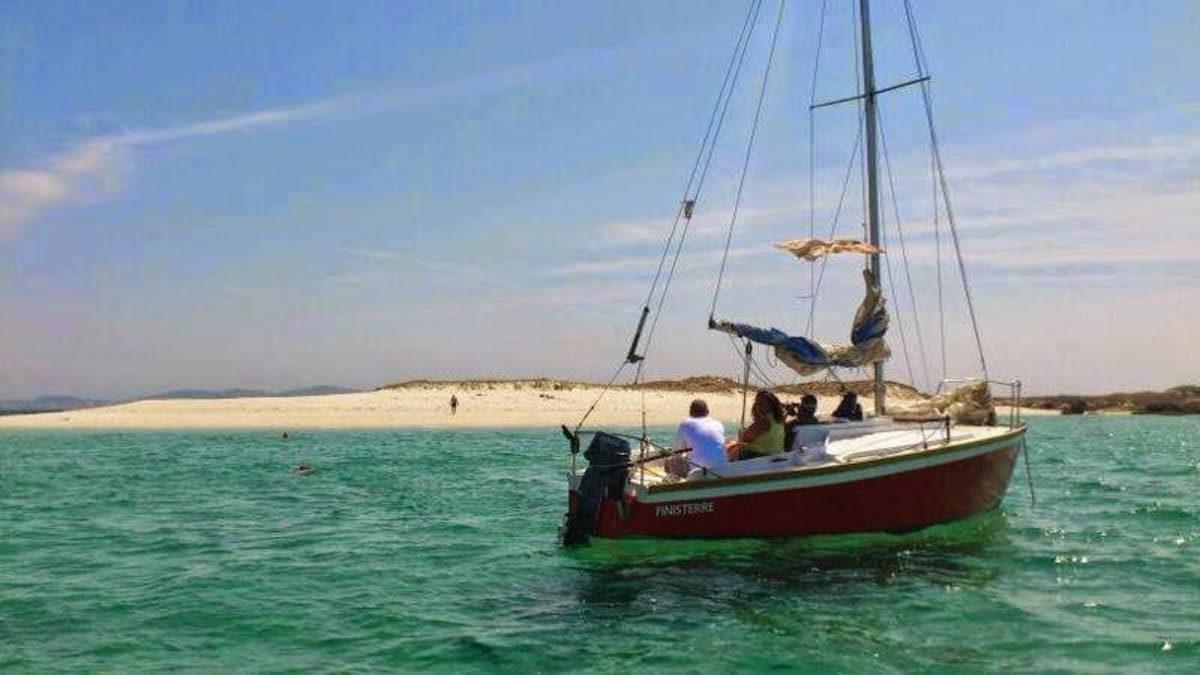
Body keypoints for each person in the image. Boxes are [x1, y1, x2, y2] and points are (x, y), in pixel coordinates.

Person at [666, 399, 727, 478]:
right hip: (723, 471)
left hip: (698, 473)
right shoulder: (718, 424)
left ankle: (675, 481)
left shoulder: (685, 424)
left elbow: (676, 453)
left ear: (690, 413)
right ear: (707, 412)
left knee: (670, 461)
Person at [726, 390, 786, 461]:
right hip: (776, 454)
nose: (758, 406)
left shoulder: (764, 421)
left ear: (770, 405)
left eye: (762, 404)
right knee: (732, 443)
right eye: (757, 403)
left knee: (735, 446)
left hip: (761, 456)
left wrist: (741, 432)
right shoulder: (779, 420)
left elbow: (744, 438)